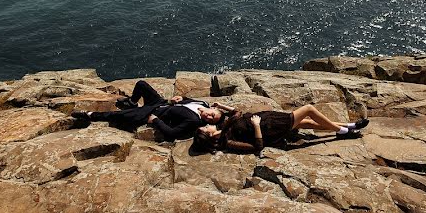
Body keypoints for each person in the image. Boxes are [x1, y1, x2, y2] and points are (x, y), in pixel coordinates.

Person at [72, 79, 226, 141]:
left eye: (211, 120)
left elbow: (173, 133)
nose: (209, 117)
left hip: (154, 113)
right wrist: (180, 99)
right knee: (141, 84)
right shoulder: (203, 102)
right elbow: (186, 102)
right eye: (212, 115)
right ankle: (132, 101)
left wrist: (156, 121)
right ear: (212, 108)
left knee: (117, 115)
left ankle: (90, 115)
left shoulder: (193, 121)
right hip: (160, 103)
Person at [193, 104, 368, 154]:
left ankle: (347, 126)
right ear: (208, 135)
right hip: (272, 128)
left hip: (271, 119)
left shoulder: (222, 126)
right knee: (308, 109)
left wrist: (221, 106)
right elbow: (257, 147)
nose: (206, 125)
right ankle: (343, 131)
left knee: (306, 122)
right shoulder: (228, 141)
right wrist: (256, 127)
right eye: (204, 128)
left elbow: (238, 113)